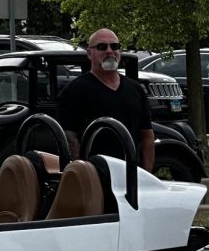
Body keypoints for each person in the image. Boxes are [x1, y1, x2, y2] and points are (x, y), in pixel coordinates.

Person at [57, 27, 155, 172]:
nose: (109, 51)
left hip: (131, 179)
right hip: (94, 178)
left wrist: (147, 176)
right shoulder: (74, 91)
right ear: (89, 53)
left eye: (115, 46)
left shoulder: (136, 90)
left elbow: (147, 137)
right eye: (102, 47)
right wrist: (81, 177)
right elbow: (70, 140)